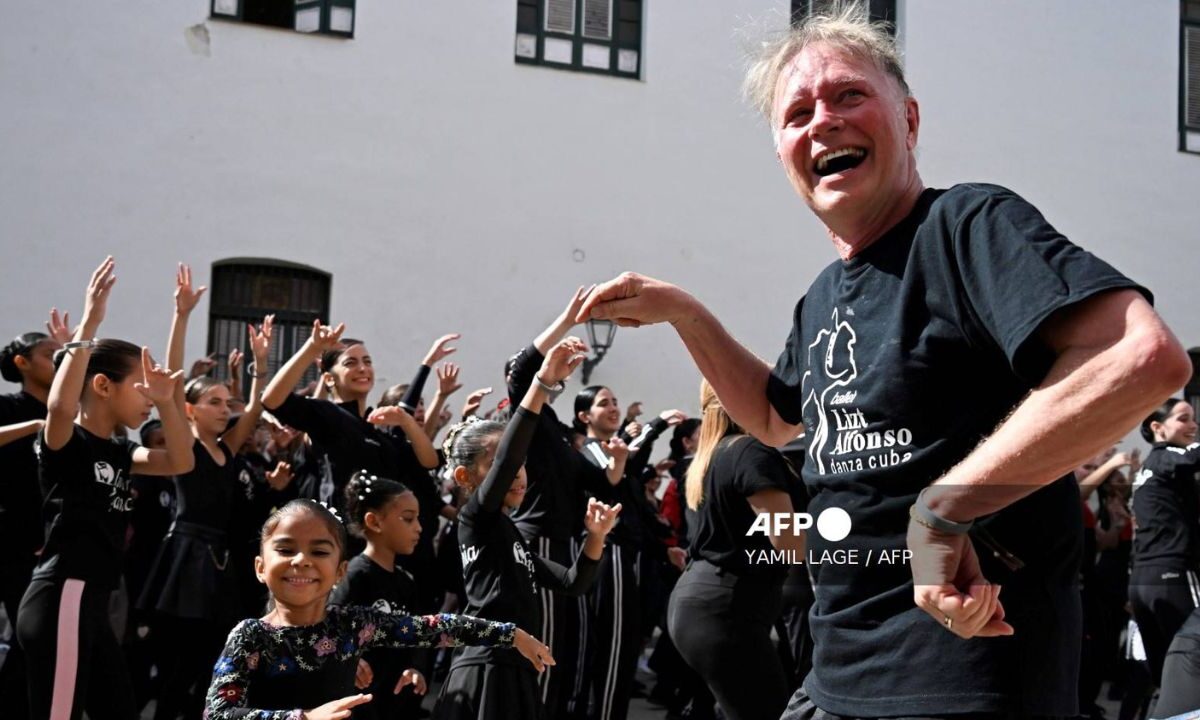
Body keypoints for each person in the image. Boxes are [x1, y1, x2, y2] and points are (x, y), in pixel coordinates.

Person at [576, 7, 1191, 718]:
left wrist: (944, 509)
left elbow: (1137, 357)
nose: (823, 121)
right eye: (797, 112)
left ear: (909, 119)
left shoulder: (966, 226)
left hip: (961, 682)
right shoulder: (823, 297)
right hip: (835, 677)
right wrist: (687, 313)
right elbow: (778, 420)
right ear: (783, 154)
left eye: (849, 96)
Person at [16, 257, 195, 720]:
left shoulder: (120, 451)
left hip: (93, 602)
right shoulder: (65, 442)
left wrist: (166, 402)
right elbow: (58, 407)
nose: (146, 396)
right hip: (64, 595)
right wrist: (91, 322)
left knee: (119, 709)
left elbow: (180, 459)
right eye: (139, 387)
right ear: (102, 385)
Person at [202, 498, 551, 720]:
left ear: (340, 571)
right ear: (261, 567)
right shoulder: (251, 635)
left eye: (320, 552)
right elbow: (218, 712)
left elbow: (432, 627)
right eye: (286, 549)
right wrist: (304, 718)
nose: (301, 561)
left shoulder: (352, 625)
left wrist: (511, 635)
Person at [434, 336, 622, 720]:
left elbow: (574, 583)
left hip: (512, 667)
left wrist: (596, 538)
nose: (518, 475)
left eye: (522, 467)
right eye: (506, 466)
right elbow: (511, 451)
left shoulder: (509, 534)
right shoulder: (476, 520)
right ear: (466, 476)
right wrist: (541, 384)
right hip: (484, 667)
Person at [139, 265, 278, 720]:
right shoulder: (186, 443)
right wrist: (181, 315)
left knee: (206, 668)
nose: (224, 410)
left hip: (218, 566)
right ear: (190, 410)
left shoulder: (228, 448)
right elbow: (172, 381)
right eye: (214, 403)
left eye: (226, 402)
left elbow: (254, 408)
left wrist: (260, 365)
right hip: (182, 560)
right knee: (174, 669)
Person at [667, 380, 804, 720]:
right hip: (726, 612)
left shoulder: (714, 453)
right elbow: (789, 544)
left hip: (703, 604)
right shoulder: (750, 452)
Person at [0, 315, 68, 718]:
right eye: (48, 353)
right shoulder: (9, 406)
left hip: (51, 542)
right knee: (26, 638)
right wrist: (36, 426)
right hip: (11, 535)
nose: (56, 357)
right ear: (22, 363)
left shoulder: (69, 412)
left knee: (37, 642)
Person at [329, 471, 430, 720]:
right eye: (408, 519)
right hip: (362, 707)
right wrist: (349, 659)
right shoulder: (355, 575)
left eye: (418, 518)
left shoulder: (407, 582)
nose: (419, 528)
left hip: (397, 705)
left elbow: (420, 634)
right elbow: (329, 624)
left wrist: (416, 667)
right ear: (374, 522)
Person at [1129, 398, 1200, 686]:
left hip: (1142, 581)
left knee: (1167, 678)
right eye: (1183, 418)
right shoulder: (1166, 456)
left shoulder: (1148, 470)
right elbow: (1192, 457)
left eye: (1194, 418)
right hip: (1173, 574)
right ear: (1157, 427)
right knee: (1191, 668)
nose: (1193, 426)